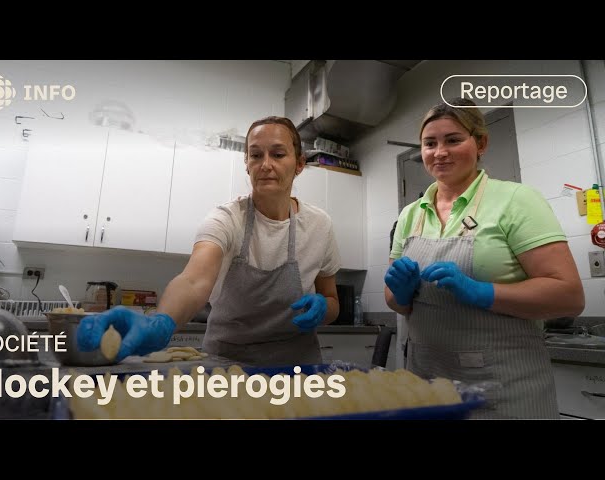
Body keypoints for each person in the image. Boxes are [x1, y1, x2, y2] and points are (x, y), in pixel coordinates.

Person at [77, 116, 341, 366]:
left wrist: (323, 310)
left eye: (278, 154)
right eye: (256, 155)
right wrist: (162, 321)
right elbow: (194, 280)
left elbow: (331, 300)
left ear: (299, 164)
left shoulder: (320, 225)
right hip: (229, 366)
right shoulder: (226, 219)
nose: (266, 164)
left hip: (299, 368)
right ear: (246, 163)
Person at [384, 98, 584, 419]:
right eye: (429, 143)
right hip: (427, 387)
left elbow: (569, 297)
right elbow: (395, 301)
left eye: (453, 140)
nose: (440, 152)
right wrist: (400, 293)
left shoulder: (516, 200)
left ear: (481, 143)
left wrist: (483, 292)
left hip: (502, 391)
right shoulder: (411, 214)